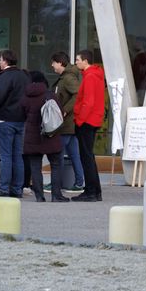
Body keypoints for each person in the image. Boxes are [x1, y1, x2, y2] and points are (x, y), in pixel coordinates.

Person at [23, 69, 68, 203]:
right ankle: (56, 195)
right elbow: (60, 114)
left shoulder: (26, 96)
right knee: (56, 165)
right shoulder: (50, 96)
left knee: (35, 167)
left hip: (32, 138)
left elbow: (21, 114)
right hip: (50, 136)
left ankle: (39, 196)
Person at [0, 50, 28, 198]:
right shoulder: (24, 76)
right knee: (18, 155)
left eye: (0, 59)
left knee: (5, 156)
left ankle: (4, 188)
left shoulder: (4, 76)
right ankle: (17, 189)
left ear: (5, 61)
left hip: (5, 119)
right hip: (21, 120)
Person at [72, 49, 105, 202]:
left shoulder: (90, 76)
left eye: (78, 59)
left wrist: (79, 119)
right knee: (89, 156)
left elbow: (88, 102)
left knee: (86, 157)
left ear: (85, 61)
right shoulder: (95, 75)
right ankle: (95, 191)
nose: (76, 62)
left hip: (86, 121)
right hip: (93, 120)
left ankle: (91, 191)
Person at [50, 51, 84, 195]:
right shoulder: (66, 77)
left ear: (60, 63)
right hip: (69, 124)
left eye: (53, 62)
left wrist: (64, 110)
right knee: (74, 154)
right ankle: (79, 182)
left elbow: (78, 94)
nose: (52, 65)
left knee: (58, 154)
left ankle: (55, 183)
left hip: (65, 124)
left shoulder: (68, 78)